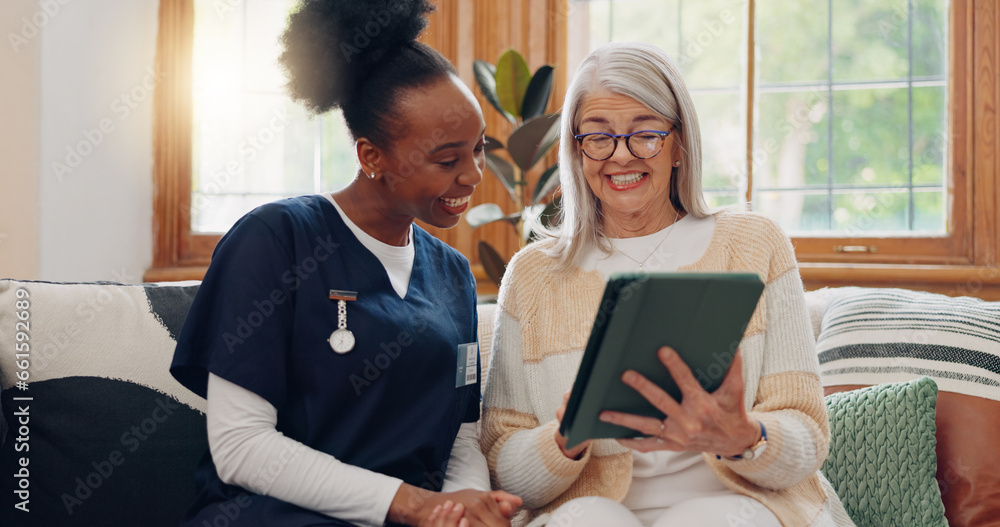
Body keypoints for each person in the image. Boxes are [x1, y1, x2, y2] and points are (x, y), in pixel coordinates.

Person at [170, 1, 521, 526]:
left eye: (479, 149)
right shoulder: (275, 241)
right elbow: (241, 447)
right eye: (447, 159)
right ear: (371, 156)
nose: (473, 175)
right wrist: (411, 504)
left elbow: (461, 435)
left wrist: (464, 506)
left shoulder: (452, 275)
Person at [480, 41, 855, 527]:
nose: (620, 156)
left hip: (749, 508)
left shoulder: (755, 245)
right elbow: (501, 466)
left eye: (645, 135)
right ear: (576, 149)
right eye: (598, 137)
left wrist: (744, 435)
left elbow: (807, 437)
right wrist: (561, 442)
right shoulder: (533, 275)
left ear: (678, 143)